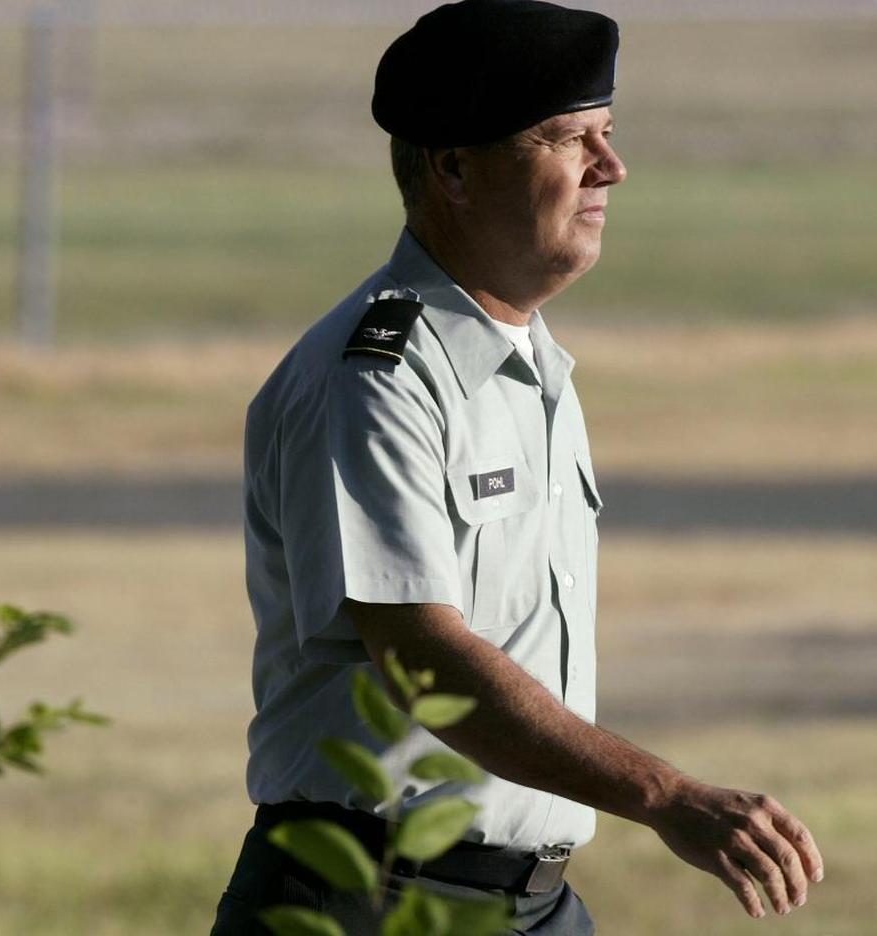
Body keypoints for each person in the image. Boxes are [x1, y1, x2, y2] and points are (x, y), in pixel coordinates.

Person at [211, 1, 824, 932]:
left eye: (607, 133)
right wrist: (665, 794)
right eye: (568, 138)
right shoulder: (376, 377)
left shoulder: (532, 364)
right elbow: (423, 654)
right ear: (454, 167)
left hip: (528, 903)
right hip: (375, 897)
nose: (610, 167)